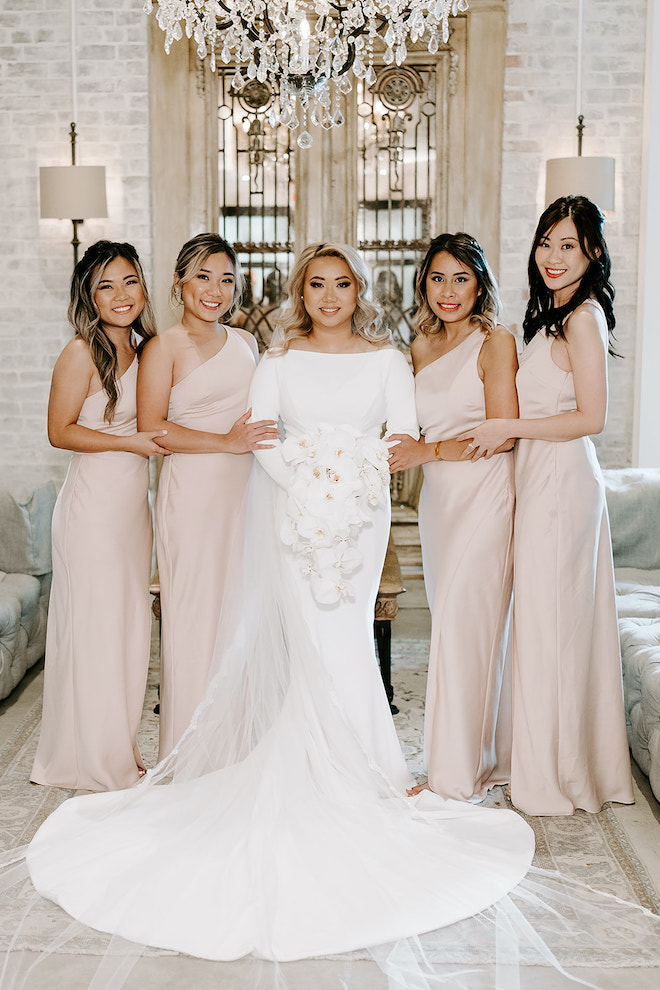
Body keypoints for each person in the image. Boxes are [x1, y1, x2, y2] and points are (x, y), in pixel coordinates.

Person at [20, 244, 534, 971]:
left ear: (361, 291)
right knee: (303, 642)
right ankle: (299, 761)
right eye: (316, 285)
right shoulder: (278, 362)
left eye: (342, 284)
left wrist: (348, 488)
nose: (329, 297)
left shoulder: (390, 360)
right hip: (297, 515)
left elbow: (401, 440)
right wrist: (309, 485)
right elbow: (261, 439)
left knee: (349, 638)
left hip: (360, 519)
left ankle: (371, 771)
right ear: (301, 292)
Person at [459, 196, 634, 815]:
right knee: (538, 623)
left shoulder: (583, 318)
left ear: (592, 252)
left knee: (551, 627)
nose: (554, 257)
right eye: (546, 243)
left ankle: (555, 774)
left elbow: (592, 418)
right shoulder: (549, 318)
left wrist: (508, 425)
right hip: (539, 479)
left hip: (562, 485)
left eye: (568, 245)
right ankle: (541, 758)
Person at [31, 240, 169, 791]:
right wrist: (131, 442)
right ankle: (87, 759)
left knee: (127, 630)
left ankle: (116, 748)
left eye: (130, 281)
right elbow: (59, 431)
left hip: (133, 510)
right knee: (94, 629)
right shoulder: (80, 353)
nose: (120, 295)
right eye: (106, 285)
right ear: (88, 293)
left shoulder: (149, 350)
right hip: (91, 512)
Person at [388, 233, 518, 803]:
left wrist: (424, 452)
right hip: (439, 503)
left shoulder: (496, 343)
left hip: (485, 497)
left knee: (469, 629)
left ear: (480, 284)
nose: (448, 291)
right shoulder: (419, 347)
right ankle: (468, 758)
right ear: (424, 284)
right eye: (438, 278)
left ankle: (454, 775)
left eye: (461, 278)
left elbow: (503, 437)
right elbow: (411, 431)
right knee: (453, 627)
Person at [137, 233, 278, 759]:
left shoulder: (245, 343)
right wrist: (225, 441)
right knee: (195, 615)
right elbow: (153, 430)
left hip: (246, 492)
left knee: (240, 614)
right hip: (193, 496)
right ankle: (191, 752)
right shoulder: (163, 347)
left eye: (226, 278)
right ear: (179, 282)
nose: (215, 290)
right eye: (203, 276)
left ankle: (239, 747)